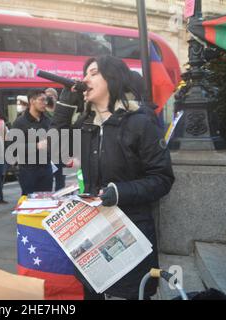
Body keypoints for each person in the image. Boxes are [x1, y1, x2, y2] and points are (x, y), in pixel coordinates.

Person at [52, 55, 175, 300]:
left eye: (93, 72)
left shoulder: (140, 123)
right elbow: (60, 152)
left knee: (129, 292)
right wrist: (65, 107)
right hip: (93, 230)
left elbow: (162, 178)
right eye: (85, 73)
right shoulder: (87, 125)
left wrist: (119, 192)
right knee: (94, 291)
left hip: (130, 230)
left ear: (112, 78)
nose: (85, 78)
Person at [12, 90, 53, 195]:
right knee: (29, 201)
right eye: (42, 100)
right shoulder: (20, 122)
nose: (45, 103)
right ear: (32, 101)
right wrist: (36, 146)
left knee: (46, 201)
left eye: (46, 100)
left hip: (46, 168)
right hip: (28, 170)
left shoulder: (48, 121)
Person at [45, 87, 66, 191]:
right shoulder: (42, 113)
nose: (49, 98)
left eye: (51, 96)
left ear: (56, 98)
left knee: (60, 179)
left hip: (61, 151)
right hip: (47, 152)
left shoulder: (61, 111)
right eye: (46, 96)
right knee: (47, 179)